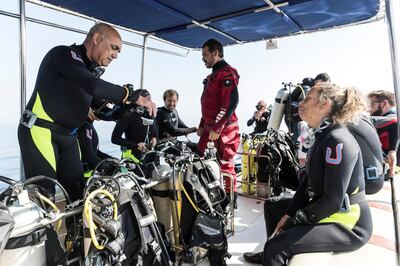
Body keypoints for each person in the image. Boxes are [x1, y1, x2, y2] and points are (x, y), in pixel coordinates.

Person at [18, 23, 156, 201]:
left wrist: (128, 111)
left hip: (69, 137)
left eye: (118, 52)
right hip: (40, 131)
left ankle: (76, 228)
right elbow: (94, 87)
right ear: (96, 38)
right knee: (44, 200)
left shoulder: (88, 73)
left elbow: (104, 111)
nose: (115, 55)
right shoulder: (63, 54)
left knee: (78, 196)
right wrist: (129, 95)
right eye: (114, 48)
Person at [243, 83, 372, 265]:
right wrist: (288, 214)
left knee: (278, 246)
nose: (300, 104)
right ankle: (268, 254)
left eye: (307, 98)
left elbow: (332, 202)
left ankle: (271, 253)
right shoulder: (322, 135)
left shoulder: (337, 141)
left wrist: (295, 221)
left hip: (349, 222)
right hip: (328, 209)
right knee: (273, 207)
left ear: (324, 105)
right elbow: (306, 184)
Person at [197, 38, 240, 207]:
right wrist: (202, 125)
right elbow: (206, 105)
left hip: (224, 130)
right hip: (209, 128)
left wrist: (218, 126)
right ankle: (210, 197)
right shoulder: (211, 77)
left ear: (216, 53)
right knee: (202, 160)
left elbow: (230, 102)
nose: (203, 58)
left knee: (225, 165)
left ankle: (230, 202)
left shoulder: (227, 73)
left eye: (206, 55)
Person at [368, 90, 398, 177]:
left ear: (384, 104)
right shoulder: (386, 121)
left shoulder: (393, 122)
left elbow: (392, 153)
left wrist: (392, 151)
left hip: (391, 171)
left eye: (373, 104)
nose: (370, 108)